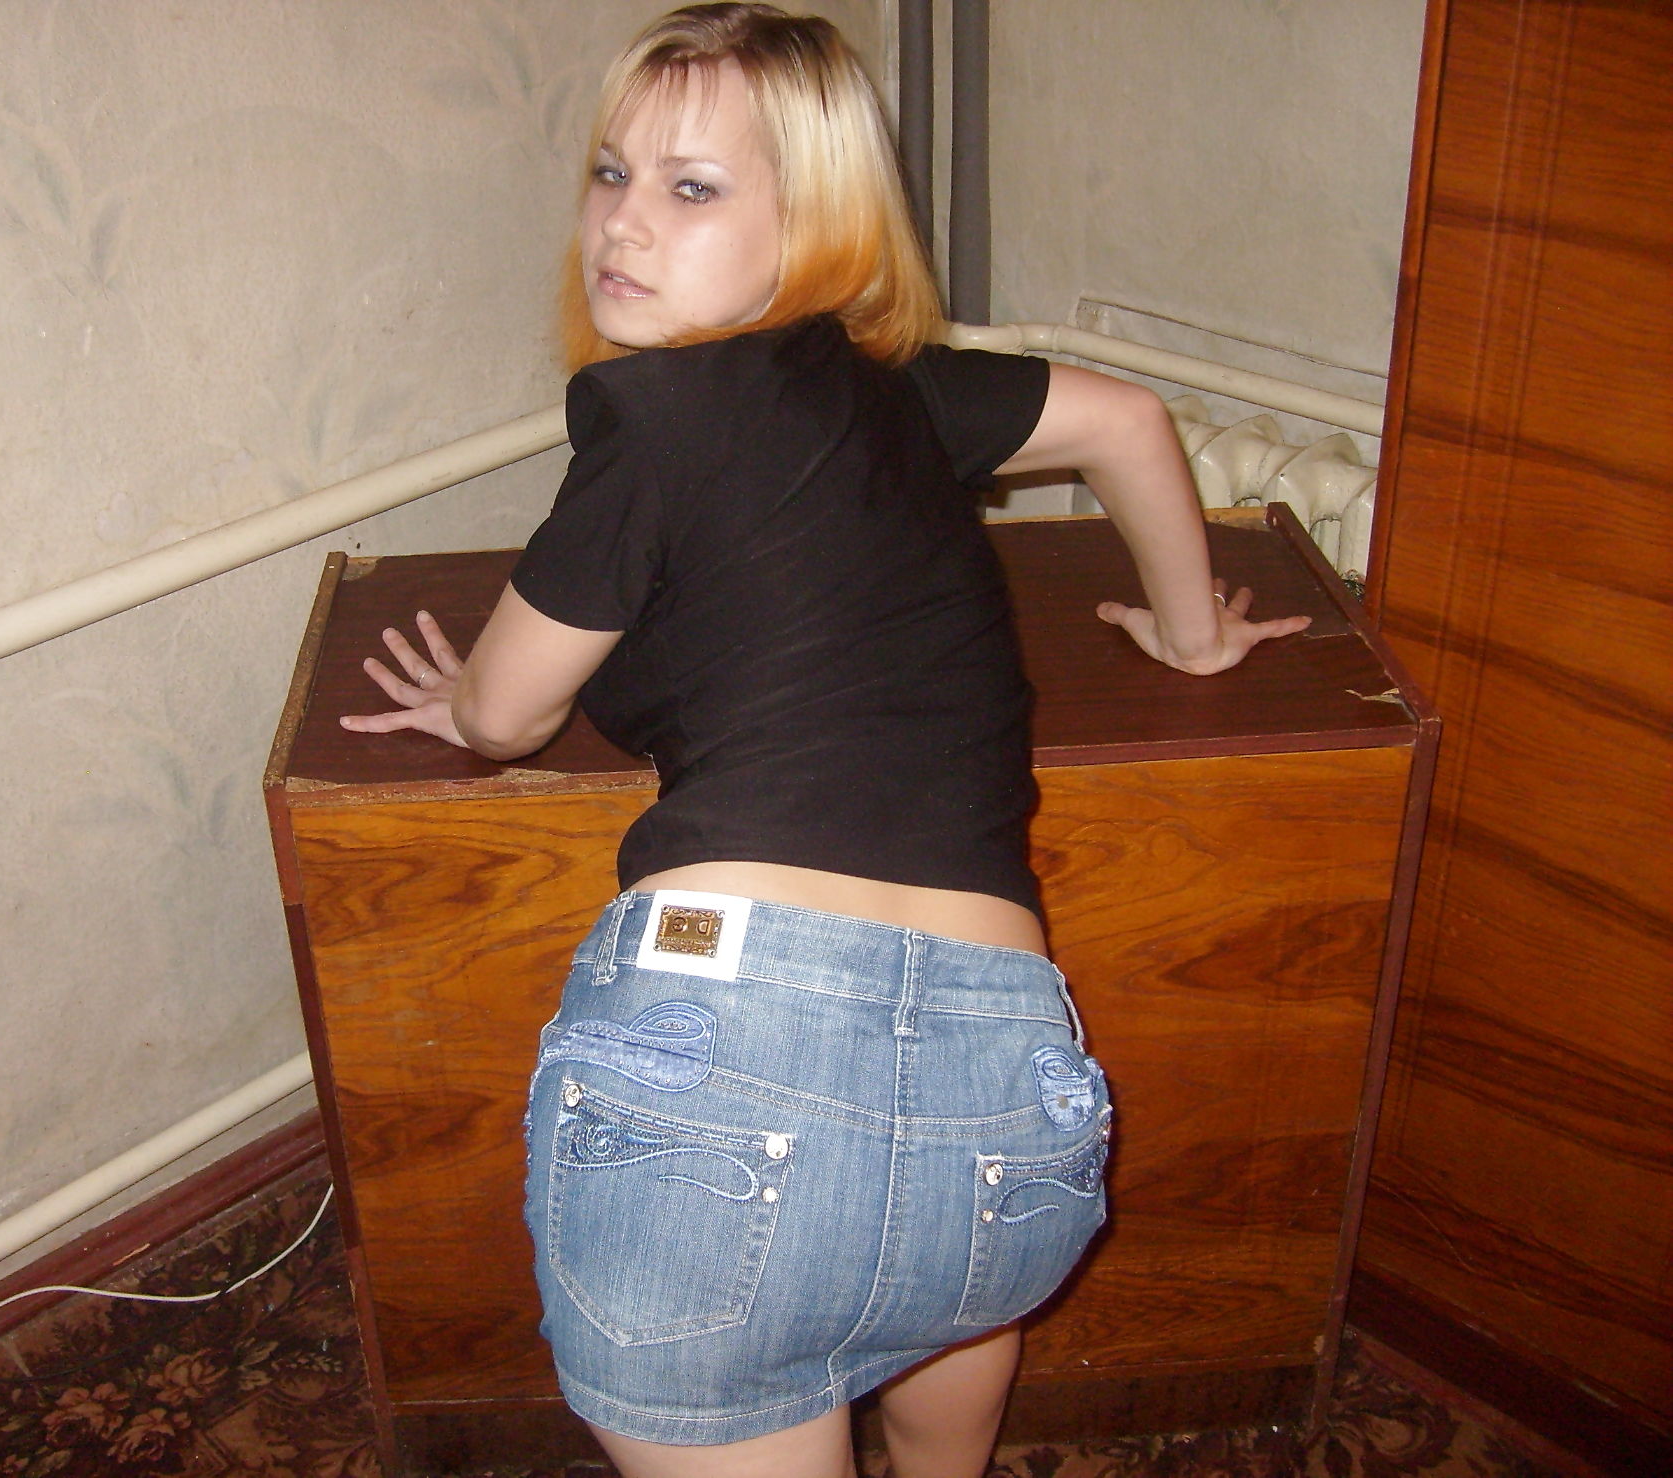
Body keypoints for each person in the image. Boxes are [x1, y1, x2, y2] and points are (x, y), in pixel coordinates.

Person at [341, 7, 1309, 1475]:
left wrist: (463, 697)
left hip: (728, 1053)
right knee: (932, 1357)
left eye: (693, 187)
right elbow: (1124, 419)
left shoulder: (656, 419)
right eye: (611, 172)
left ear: (820, 225)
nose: (623, 222)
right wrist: (1192, 636)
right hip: (1006, 1089)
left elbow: (504, 714)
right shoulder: (905, 395)